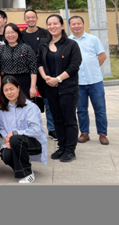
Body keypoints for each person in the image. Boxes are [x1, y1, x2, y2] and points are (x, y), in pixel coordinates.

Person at [37, 14, 82, 163]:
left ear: (62, 26)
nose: (52, 27)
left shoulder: (71, 45)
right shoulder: (43, 44)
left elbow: (74, 66)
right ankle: (61, 146)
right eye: (49, 24)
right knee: (57, 119)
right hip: (50, 88)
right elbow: (39, 62)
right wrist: (46, 77)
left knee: (69, 119)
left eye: (55, 23)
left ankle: (70, 149)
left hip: (68, 88)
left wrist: (58, 79)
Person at [0, 76, 47, 184]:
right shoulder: (2, 109)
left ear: (18, 88)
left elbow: (36, 131)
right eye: (6, 90)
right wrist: (7, 139)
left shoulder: (30, 107)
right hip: (14, 142)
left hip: (34, 143)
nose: (9, 92)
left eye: (12, 89)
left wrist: (13, 134)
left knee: (15, 139)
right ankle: (25, 168)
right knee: (5, 154)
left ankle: (27, 174)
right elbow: (1, 128)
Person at [69, 16, 110, 145]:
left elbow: (102, 56)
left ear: (83, 24)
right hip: (78, 82)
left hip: (95, 81)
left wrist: (93, 68)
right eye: (73, 24)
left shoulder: (93, 39)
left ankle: (102, 134)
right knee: (81, 110)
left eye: (78, 23)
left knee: (100, 109)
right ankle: (84, 133)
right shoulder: (68, 41)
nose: (76, 26)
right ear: (69, 26)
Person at [21, 9, 56, 140]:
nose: (30, 19)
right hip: (26, 73)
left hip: (44, 72)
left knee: (48, 101)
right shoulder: (21, 35)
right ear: (24, 20)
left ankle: (52, 128)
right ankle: (29, 129)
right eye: (28, 17)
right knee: (27, 102)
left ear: (37, 18)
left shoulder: (45, 33)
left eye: (33, 17)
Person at [0, 23, 38, 100]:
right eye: (7, 33)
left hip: (24, 81)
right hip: (7, 82)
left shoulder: (26, 48)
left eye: (13, 32)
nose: (10, 35)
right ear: (4, 35)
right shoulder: (0, 49)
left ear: (18, 33)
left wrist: (32, 87)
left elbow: (33, 68)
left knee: (25, 104)